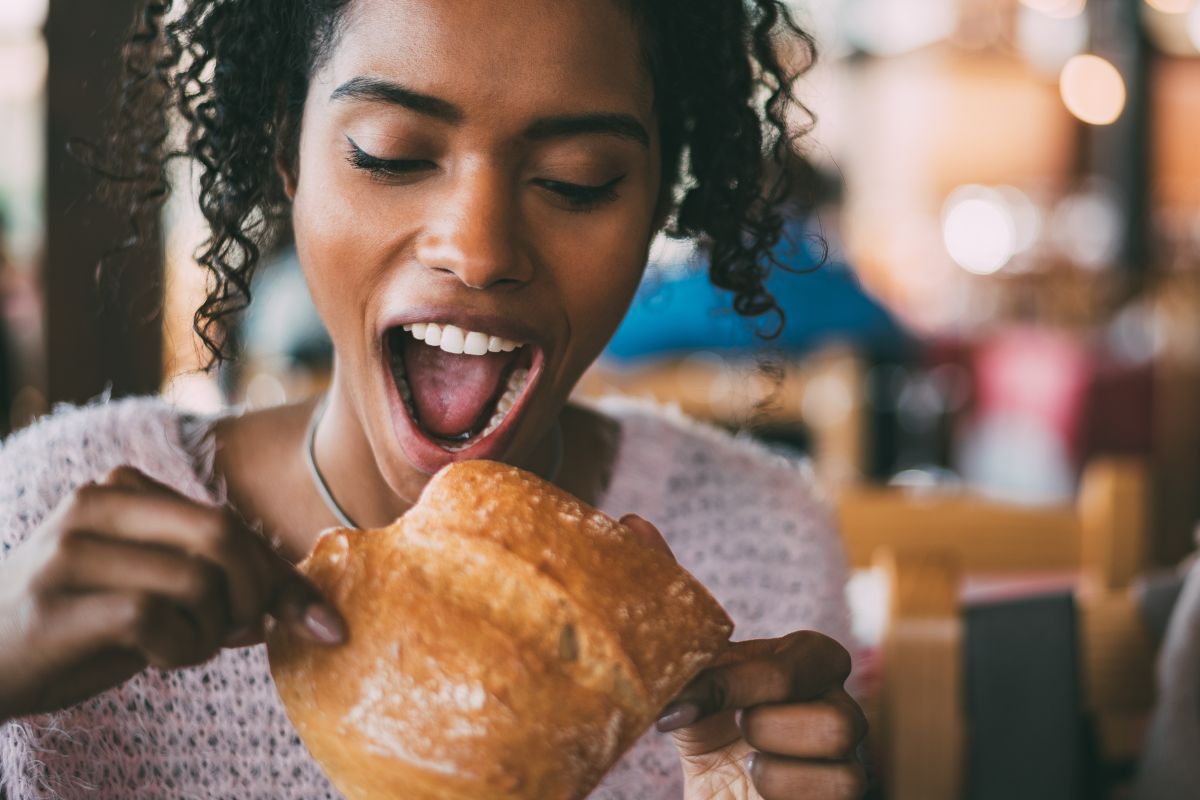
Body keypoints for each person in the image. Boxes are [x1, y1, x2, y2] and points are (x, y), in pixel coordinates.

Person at [0, 1, 863, 798]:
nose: (478, 248)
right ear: (285, 160)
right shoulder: (42, 516)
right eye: (392, 154)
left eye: (578, 177)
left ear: (655, 205)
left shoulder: (763, 547)